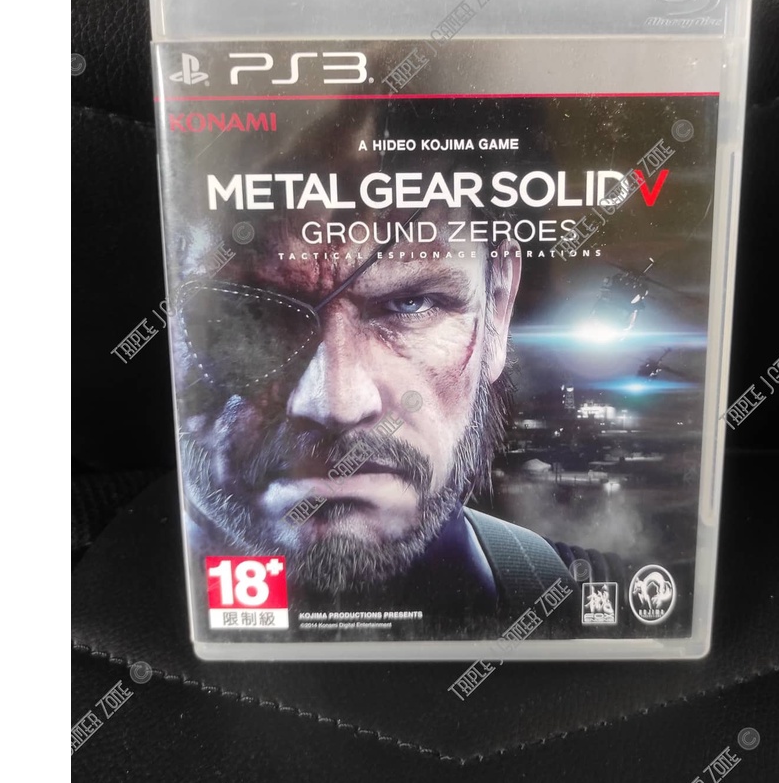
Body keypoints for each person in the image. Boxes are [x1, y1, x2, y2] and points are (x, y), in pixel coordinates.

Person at [173, 197, 576, 630]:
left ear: (496, 307)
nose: (336, 405)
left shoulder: (550, 584)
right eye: (251, 313)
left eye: (412, 303)